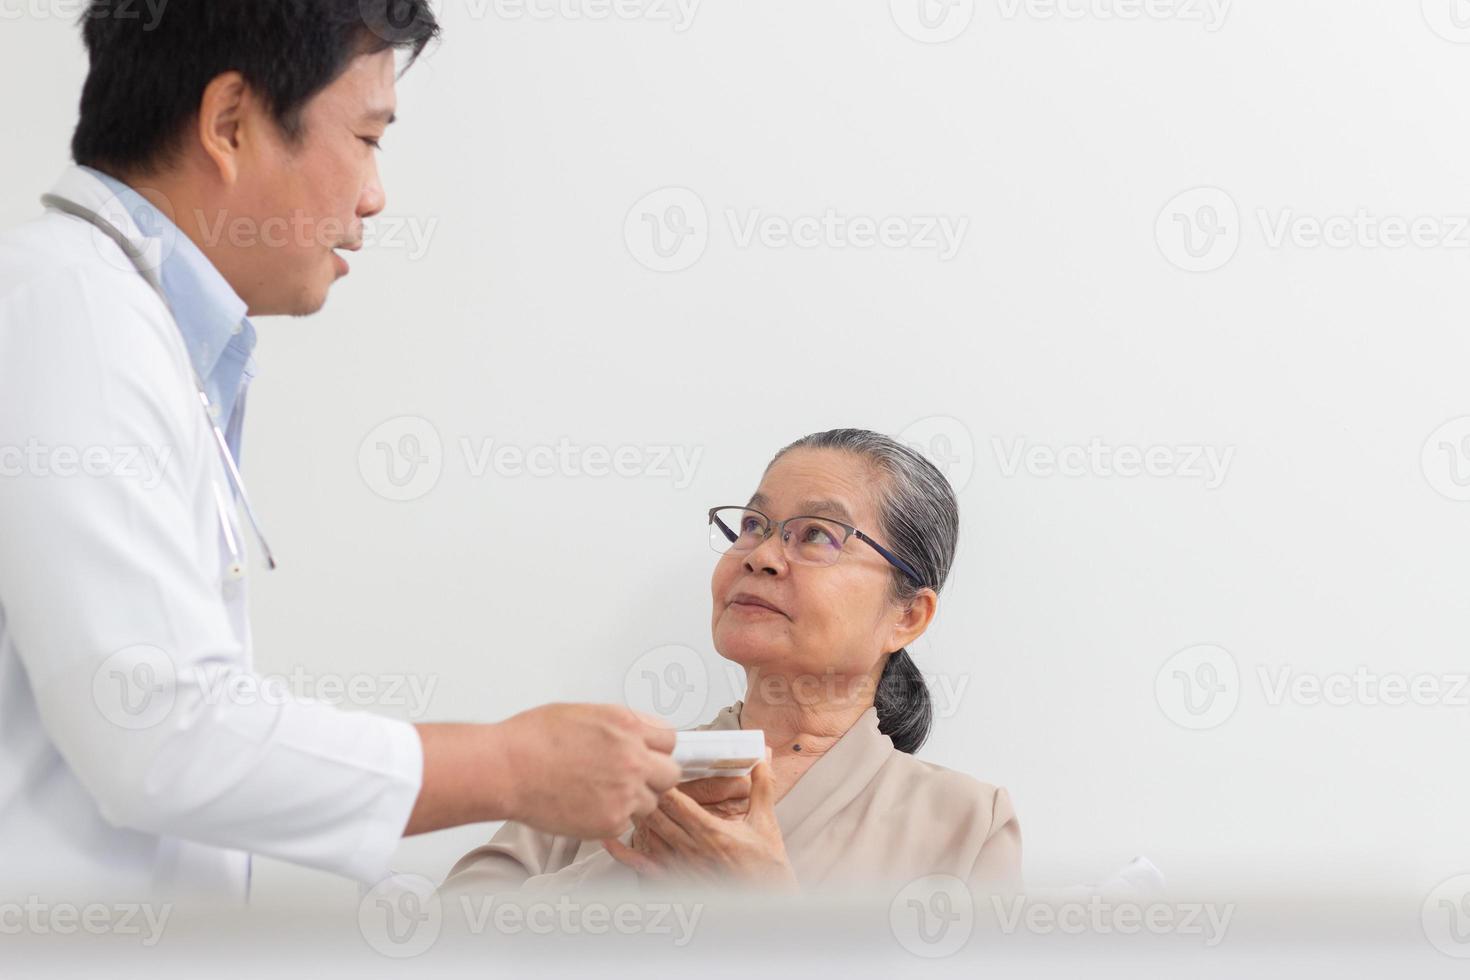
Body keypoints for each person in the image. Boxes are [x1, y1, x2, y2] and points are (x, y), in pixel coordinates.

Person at [0, 0, 679, 902]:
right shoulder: (73, 313)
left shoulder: (123, 323)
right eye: (368, 138)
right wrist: (510, 766)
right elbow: (155, 729)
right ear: (231, 124)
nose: (374, 196)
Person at [445, 429, 1021, 896]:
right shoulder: (608, 768)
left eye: (817, 535)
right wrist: (634, 861)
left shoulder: (967, 823)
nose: (763, 556)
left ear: (908, 617)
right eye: (752, 525)